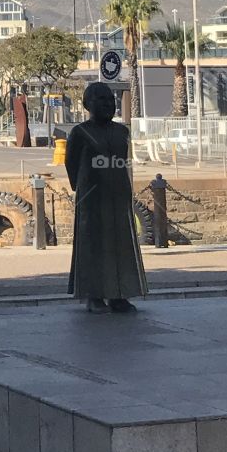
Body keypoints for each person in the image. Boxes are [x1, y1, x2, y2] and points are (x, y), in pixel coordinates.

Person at [65, 80, 148, 314]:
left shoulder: (122, 131)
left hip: (118, 195)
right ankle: (94, 295)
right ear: (88, 104)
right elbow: (70, 163)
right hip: (92, 197)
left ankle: (119, 294)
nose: (108, 105)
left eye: (110, 100)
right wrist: (81, 187)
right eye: (101, 100)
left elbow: (123, 162)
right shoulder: (80, 133)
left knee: (120, 245)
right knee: (93, 245)